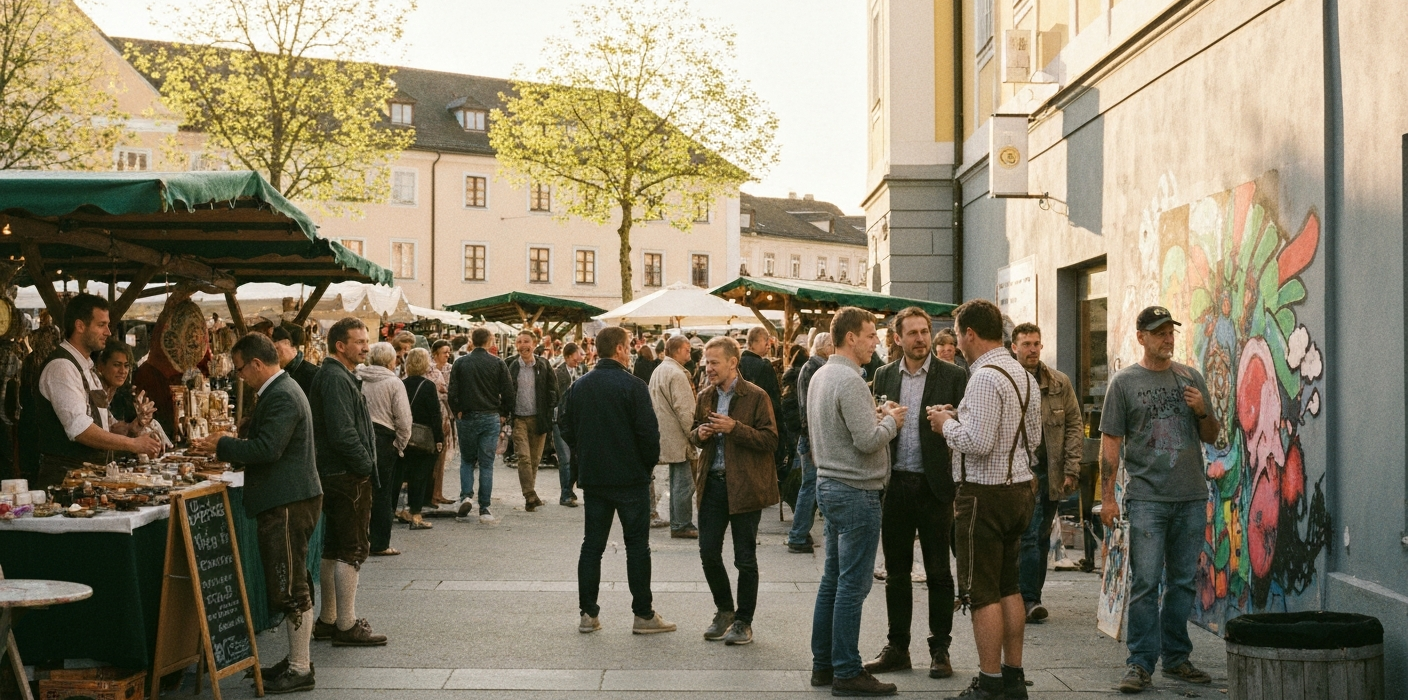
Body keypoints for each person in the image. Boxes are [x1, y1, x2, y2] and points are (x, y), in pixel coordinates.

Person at [193, 333, 322, 693]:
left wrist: (223, 445)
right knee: (292, 581)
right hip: (289, 498)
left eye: (240, 369)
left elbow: (268, 449)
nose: (240, 377)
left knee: (290, 585)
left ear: (256, 364)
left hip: (287, 502)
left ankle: (299, 668)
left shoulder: (282, 394)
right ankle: (298, 661)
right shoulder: (282, 390)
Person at [927, 299, 1042, 700]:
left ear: (970, 334)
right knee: (1010, 587)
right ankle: (1013, 677)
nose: (956, 343)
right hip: (1020, 491)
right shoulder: (1022, 374)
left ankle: (989, 682)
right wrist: (961, 415)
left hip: (983, 497)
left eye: (958, 335)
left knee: (981, 594)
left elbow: (977, 442)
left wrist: (945, 425)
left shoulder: (982, 377)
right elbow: (1032, 438)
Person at [1100, 306, 1219, 694]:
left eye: (1170, 331)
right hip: (1147, 498)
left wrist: (1201, 410)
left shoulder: (1189, 377)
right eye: (1158, 332)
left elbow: (1212, 436)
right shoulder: (1124, 383)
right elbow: (1111, 444)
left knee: (1183, 582)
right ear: (1142, 337)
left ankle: (1177, 658)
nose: (1167, 338)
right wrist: (1108, 499)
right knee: (1146, 583)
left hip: (1190, 496)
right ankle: (1139, 663)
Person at [864, 307, 968, 680]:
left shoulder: (955, 375)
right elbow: (877, 424)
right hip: (895, 487)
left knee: (940, 572)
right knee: (896, 573)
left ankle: (940, 649)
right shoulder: (884, 374)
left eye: (925, 332)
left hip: (935, 486)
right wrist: (879, 415)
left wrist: (953, 417)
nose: (921, 339)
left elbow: (966, 424)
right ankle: (898, 648)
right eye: (913, 333)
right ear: (898, 339)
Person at [807, 307, 906, 696]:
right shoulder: (848, 380)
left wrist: (876, 417)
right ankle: (847, 671)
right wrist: (892, 421)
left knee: (833, 580)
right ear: (850, 337)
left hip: (831, 484)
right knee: (852, 585)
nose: (875, 342)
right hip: (855, 489)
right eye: (870, 336)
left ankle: (823, 665)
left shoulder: (821, 375)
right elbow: (867, 442)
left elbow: (842, 430)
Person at [559, 325, 675, 636]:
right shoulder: (634, 386)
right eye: (629, 347)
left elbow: (564, 425)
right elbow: (649, 435)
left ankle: (588, 613)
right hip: (629, 477)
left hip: (595, 476)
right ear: (621, 349)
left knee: (592, 546)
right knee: (637, 546)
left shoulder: (579, 386)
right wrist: (644, 463)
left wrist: (584, 450)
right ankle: (643, 614)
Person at [689, 336, 779, 646]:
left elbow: (770, 440)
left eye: (714, 362)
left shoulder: (755, 396)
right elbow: (694, 431)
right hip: (712, 484)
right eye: (706, 362)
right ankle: (724, 610)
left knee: (745, 558)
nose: (708, 367)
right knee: (708, 553)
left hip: (745, 486)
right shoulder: (705, 396)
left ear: (732, 363)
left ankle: (744, 621)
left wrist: (734, 429)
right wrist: (699, 434)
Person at [308, 317, 387, 646]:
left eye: (366, 340)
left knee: (335, 548)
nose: (366, 346)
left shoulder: (335, 374)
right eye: (359, 341)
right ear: (340, 345)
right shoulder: (336, 378)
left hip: (336, 473)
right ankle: (346, 624)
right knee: (352, 549)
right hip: (345, 474)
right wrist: (365, 465)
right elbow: (343, 434)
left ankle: (329, 620)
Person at [33, 294, 161, 488]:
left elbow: (104, 425)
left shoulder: (88, 369)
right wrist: (133, 444)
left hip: (88, 480)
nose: (108, 332)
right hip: (65, 483)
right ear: (80, 326)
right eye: (101, 325)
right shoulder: (61, 367)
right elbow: (81, 430)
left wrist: (131, 428)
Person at [1011, 323, 1084, 624]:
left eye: (1036, 343)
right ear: (1013, 346)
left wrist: (1071, 469)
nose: (1032, 349)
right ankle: (1027, 599)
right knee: (1027, 536)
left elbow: (1074, 426)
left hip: (1049, 472)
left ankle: (1029, 596)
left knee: (1040, 537)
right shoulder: (1007, 379)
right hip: (1018, 473)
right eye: (1026, 343)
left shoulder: (1058, 382)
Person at [449, 328, 513, 522]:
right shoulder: (498, 363)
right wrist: (503, 413)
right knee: (487, 464)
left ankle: (466, 496)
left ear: (472, 341)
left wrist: (457, 409)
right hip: (490, 416)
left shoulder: (460, 363)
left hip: (467, 416)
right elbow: (509, 391)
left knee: (467, 460)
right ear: (490, 341)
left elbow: (453, 391)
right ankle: (484, 508)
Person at [359, 342, 412, 557]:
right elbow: (403, 418)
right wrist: (400, 444)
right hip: (384, 438)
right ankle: (380, 542)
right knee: (383, 492)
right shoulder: (393, 382)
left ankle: (360, 539)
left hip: (360, 436)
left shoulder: (358, 377)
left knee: (361, 490)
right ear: (391, 361)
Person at [649, 336, 698, 538]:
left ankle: (679, 521)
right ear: (677, 351)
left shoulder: (659, 370)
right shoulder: (676, 374)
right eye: (687, 350)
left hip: (664, 431)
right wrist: (694, 434)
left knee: (677, 480)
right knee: (684, 482)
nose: (689, 353)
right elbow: (685, 410)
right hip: (676, 433)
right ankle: (681, 523)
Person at [787, 332, 832, 553]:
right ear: (824, 346)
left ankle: (799, 534)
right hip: (811, 437)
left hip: (810, 436)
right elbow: (808, 408)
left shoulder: (813, 366)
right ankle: (797, 535)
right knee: (810, 486)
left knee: (811, 485)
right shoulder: (815, 368)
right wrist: (813, 440)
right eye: (832, 344)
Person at [505, 330, 559, 511]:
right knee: (524, 458)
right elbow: (504, 391)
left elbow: (553, 390)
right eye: (519, 342)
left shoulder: (543, 364)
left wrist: (549, 409)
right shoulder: (510, 365)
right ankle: (529, 495)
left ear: (534, 344)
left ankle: (531, 495)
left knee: (535, 460)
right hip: (519, 418)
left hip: (539, 419)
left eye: (526, 341)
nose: (522, 345)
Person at [401, 348, 445, 530]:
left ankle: (403, 510)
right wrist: (439, 438)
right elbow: (435, 414)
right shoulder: (427, 386)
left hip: (405, 435)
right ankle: (416, 514)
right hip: (423, 437)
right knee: (420, 476)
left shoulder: (401, 383)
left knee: (406, 474)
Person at [94, 340, 157, 437]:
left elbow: (120, 430)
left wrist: (140, 423)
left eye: (126, 366)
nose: (123, 371)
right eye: (117, 365)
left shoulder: (123, 395)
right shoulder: (93, 392)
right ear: (101, 366)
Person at [552, 342, 587, 507]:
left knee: (572, 458)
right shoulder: (559, 374)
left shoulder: (577, 370)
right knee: (565, 458)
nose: (578, 359)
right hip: (560, 420)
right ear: (567, 356)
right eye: (576, 356)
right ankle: (565, 493)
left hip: (572, 420)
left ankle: (569, 490)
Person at [426, 339, 457, 508]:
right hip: (432, 415)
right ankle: (430, 494)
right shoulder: (429, 369)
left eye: (448, 352)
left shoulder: (450, 369)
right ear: (435, 353)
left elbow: (450, 392)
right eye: (444, 352)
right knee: (432, 454)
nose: (447, 355)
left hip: (446, 414)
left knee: (442, 455)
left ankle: (438, 492)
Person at [273, 323, 319, 397]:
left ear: (287, 342)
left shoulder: (315, 375)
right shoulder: (277, 376)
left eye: (276, 348)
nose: (272, 354)